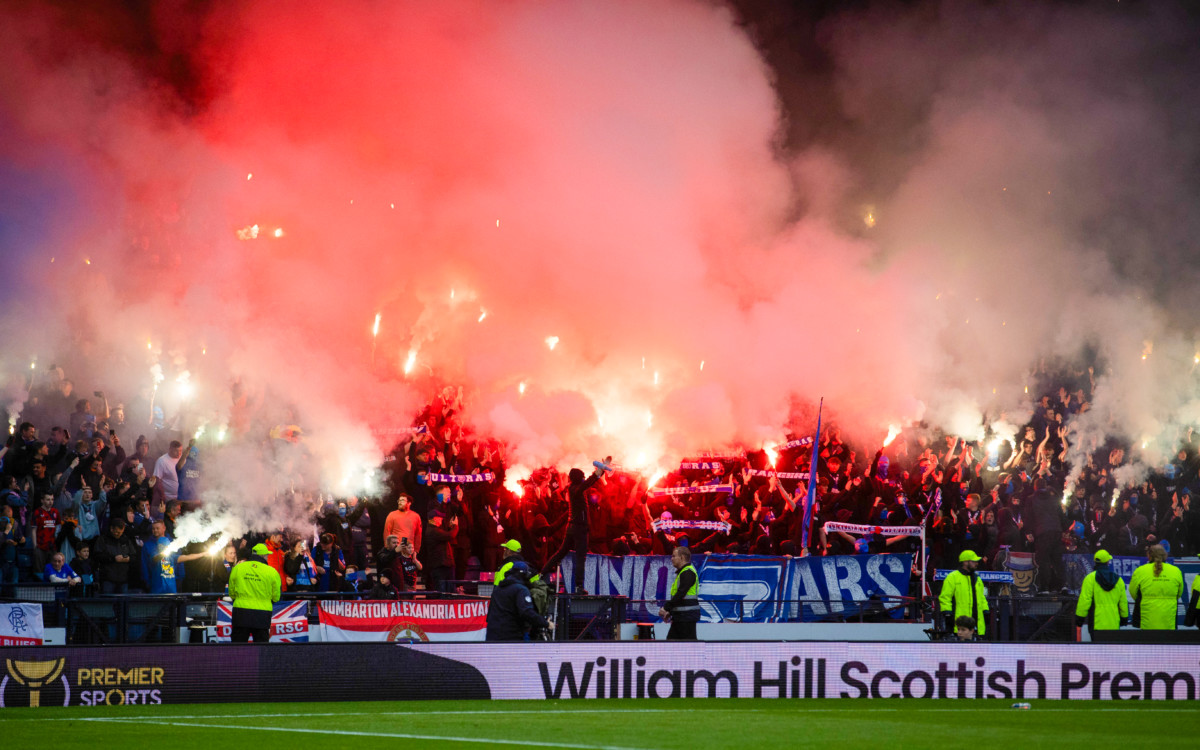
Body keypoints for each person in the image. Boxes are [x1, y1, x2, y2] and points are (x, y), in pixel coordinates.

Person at [542, 461, 609, 593]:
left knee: (561, 552)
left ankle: (542, 572)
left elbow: (588, 483)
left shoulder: (574, 488)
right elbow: (589, 482)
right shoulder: (576, 489)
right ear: (578, 478)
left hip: (572, 527)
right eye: (582, 476)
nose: (584, 477)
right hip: (579, 528)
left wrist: (600, 472)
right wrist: (598, 472)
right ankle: (578, 586)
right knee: (580, 557)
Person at [485, 560, 553, 641]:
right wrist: (546, 623)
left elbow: (489, 614)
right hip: (511, 637)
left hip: (492, 636)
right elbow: (527, 612)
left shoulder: (498, 589)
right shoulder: (521, 590)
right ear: (525, 575)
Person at [227, 542, 282, 643]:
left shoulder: (238, 568)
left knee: (237, 646)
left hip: (241, 611)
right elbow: (276, 596)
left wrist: (239, 599)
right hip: (262, 612)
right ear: (264, 556)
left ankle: (237, 659)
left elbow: (231, 591)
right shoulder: (272, 572)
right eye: (267, 555)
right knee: (261, 647)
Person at [1130, 544, 1185, 630]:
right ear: (1165, 555)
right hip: (1169, 615)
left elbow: (1133, 592)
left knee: (1148, 641)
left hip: (1147, 614)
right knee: (1168, 641)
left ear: (1149, 555)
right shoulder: (1175, 571)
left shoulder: (1140, 570)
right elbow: (1179, 593)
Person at [1074, 549, 1128, 634]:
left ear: (1095, 562)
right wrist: (1124, 617)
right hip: (1113, 622)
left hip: (1096, 622)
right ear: (1107, 562)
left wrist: (1080, 618)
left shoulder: (1090, 578)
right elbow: (1123, 602)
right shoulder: (1118, 579)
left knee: (1097, 647)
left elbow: (1085, 600)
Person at [938, 550, 990, 638]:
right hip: (959, 625)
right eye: (974, 561)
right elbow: (945, 597)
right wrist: (947, 613)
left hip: (976, 625)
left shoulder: (977, 579)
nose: (976, 563)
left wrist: (985, 610)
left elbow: (981, 597)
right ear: (965, 562)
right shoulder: (953, 577)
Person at [658, 546, 700, 640]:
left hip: (686, 618)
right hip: (681, 617)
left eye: (674, 556)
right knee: (675, 645)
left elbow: (681, 594)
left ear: (682, 557)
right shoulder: (684, 572)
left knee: (685, 647)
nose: (671, 558)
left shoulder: (688, 572)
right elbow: (681, 597)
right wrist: (671, 611)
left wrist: (666, 608)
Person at [92, 517, 138, 594]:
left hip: (124, 578)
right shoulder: (103, 539)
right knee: (108, 602)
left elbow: (134, 556)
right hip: (108, 578)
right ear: (111, 529)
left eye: (120, 532)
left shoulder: (126, 540)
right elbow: (97, 556)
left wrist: (128, 559)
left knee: (123, 603)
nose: (117, 534)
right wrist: (113, 558)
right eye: (116, 532)